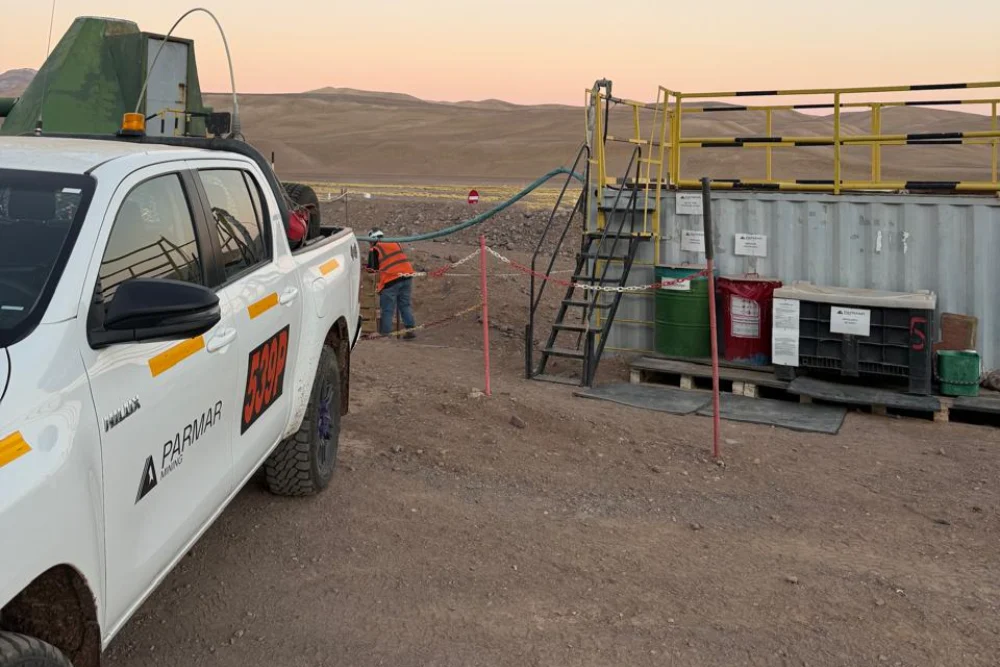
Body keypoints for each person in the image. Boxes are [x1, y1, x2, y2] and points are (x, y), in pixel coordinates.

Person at [367, 228, 417, 339]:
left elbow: (372, 269)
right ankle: (410, 330)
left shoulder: (375, 248)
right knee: (405, 305)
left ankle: (385, 333)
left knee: (387, 308)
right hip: (406, 276)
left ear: (373, 239)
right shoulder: (395, 242)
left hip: (391, 279)